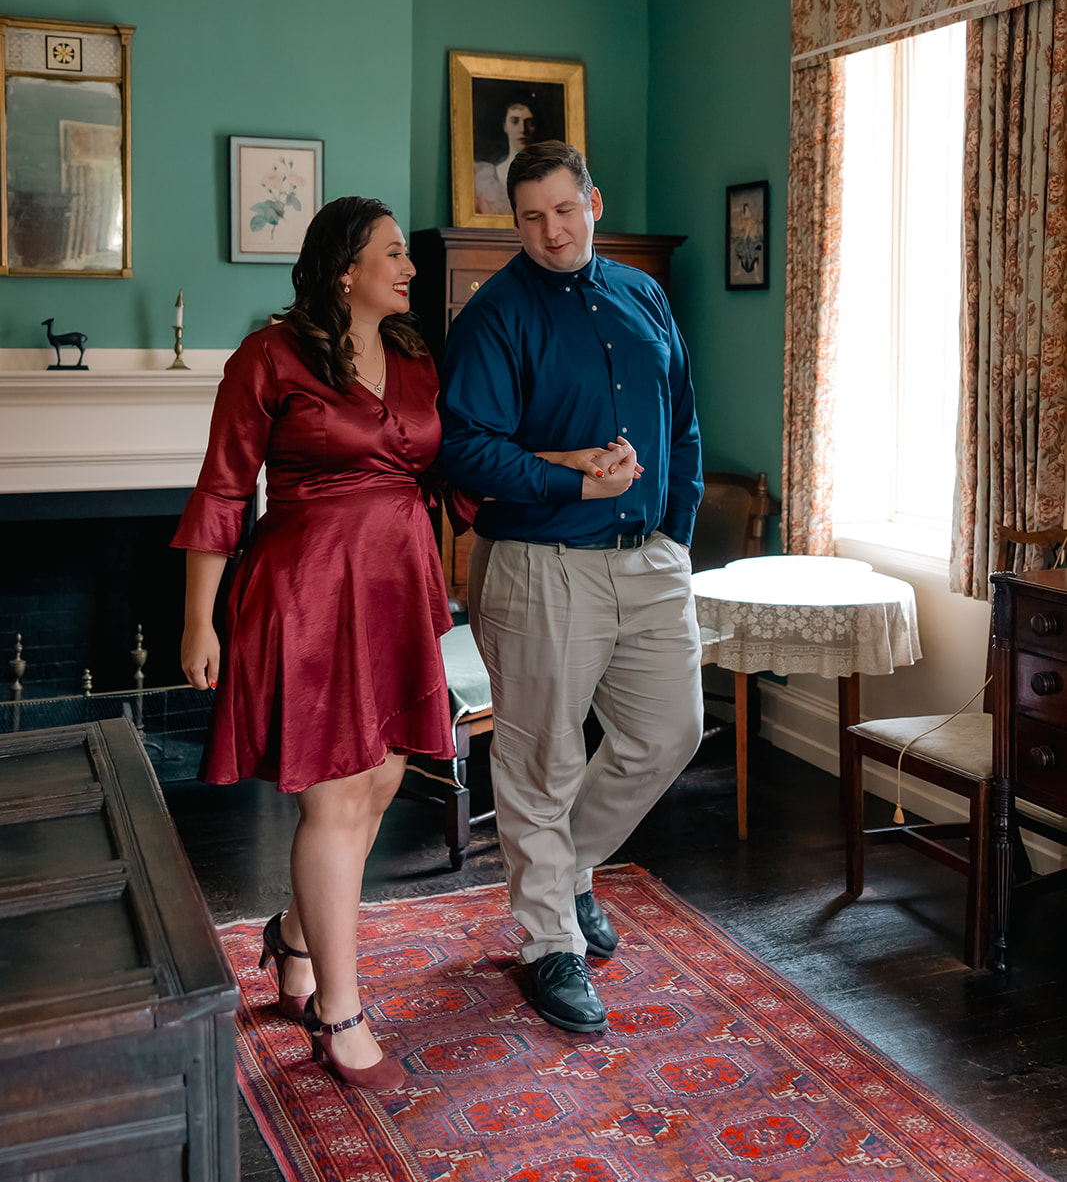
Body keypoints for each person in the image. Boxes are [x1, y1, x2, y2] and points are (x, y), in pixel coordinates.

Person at [175, 196, 467, 1091]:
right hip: (308, 588)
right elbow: (225, 488)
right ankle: (336, 1011)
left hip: (397, 581)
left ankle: (294, 935)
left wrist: (568, 471)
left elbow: (449, 468)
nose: (409, 267)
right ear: (345, 268)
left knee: (380, 777)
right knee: (338, 793)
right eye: (392, 254)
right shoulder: (268, 355)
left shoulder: (416, 357)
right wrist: (198, 617)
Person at [438, 140, 705, 1035]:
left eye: (563, 209)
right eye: (529, 217)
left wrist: (677, 527)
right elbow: (463, 449)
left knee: (669, 731)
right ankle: (548, 941)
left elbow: (685, 417)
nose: (550, 232)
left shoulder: (644, 294)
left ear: (593, 202)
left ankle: (567, 871)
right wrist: (573, 479)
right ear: (514, 224)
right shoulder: (494, 315)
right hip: (540, 565)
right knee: (539, 760)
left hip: (650, 558)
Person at [473, 97, 538, 214]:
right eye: (515, 121)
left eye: (529, 123)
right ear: (505, 126)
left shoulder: (545, 174)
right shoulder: (485, 177)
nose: (523, 129)